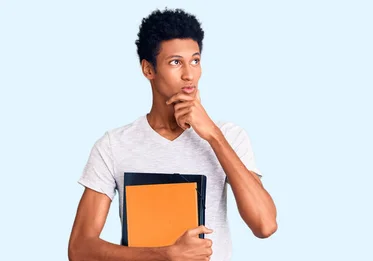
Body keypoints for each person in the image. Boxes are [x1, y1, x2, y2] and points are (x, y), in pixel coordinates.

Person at [67, 8, 277, 261]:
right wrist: (166, 254)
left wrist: (212, 135)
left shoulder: (229, 136)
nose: (189, 74)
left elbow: (265, 225)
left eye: (195, 60)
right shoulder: (114, 145)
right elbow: (79, 249)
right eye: (175, 62)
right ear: (148, 70)